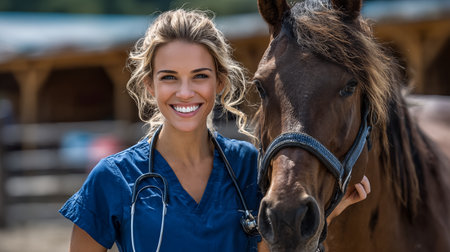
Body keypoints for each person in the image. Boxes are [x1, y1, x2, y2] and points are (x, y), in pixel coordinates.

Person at [59, 8, 370, 252]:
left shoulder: (252, 169)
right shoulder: (112, 179)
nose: (184, 92)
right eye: (169, 77)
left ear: (219, 83)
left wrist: (326, 215)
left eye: (199, 76)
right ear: (149, 86)